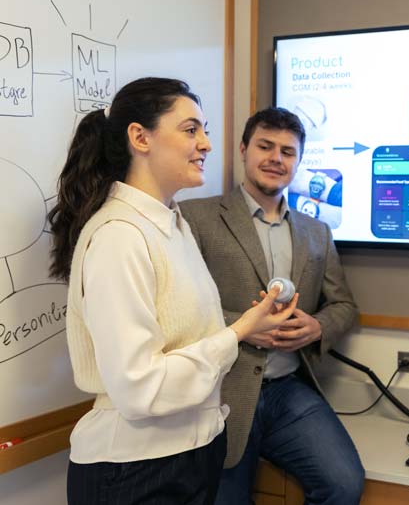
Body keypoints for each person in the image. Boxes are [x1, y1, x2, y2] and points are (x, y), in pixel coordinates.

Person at [48, 78, 298, 504]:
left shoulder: (171, 224)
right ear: (140, 137)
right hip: (136, 471)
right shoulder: (119, 236)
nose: (205, 144)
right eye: (190, 130)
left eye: (204, 131)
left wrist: (246, 327)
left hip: (189, 453)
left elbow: (182, 337)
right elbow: (139, 386)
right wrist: (237, 332)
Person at [180, 107, 364, 505]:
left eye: (287, 152)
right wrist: (245, 327)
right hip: (221, 393)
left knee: (344, 484)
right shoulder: (196, 218)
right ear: (244, 150)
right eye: (265, 146)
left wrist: (317, 327)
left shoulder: (317, 231)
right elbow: (179, 308)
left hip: (289, 392)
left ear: (298, 162)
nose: (276, 159)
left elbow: (344, 305)